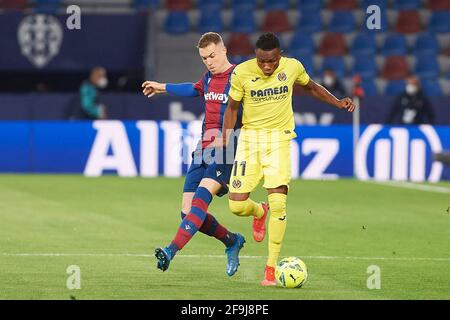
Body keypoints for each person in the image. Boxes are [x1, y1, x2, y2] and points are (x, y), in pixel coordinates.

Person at [221, 32, 356, 286]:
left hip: (279, 141)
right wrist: (226, 139)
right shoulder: (241, 72)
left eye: (271, 61)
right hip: (249, 142)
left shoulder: (293, 67)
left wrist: (338, 102)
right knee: (237, 206)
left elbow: (312, 87)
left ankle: (270, 269)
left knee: (280, 205)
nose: (267, 66)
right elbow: (232, 108)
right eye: (262, 61)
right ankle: (259, 211)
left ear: (279, 56)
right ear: (256, 57)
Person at [141, 32, 268, 276]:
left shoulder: (241, 76)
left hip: (229, 148)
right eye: (204, 58)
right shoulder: (209, 78)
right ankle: (232, 241)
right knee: (187, 212)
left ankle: (170, 251)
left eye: (212, 56)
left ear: (223, 51)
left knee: (201, 198)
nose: (209, 61)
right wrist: (162, 87)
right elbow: (193, 89)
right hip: (204, 146)